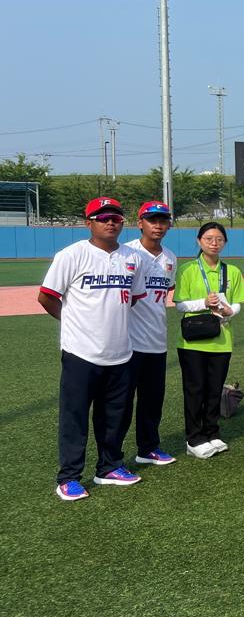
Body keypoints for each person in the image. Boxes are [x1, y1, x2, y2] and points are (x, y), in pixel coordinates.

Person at [40, 197, 148, 501]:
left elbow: (134, 296)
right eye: (102, 218)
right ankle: (69, 477)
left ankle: (109, 467)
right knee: (74, 417)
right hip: (80, 352)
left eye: (115, 217)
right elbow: (47, 297)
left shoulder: (132, 258)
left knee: (114, 414)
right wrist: (74, 321)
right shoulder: (71, 255)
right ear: (89, 223)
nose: (110, 222)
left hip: (121, 351)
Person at [174, 222, 244, 459]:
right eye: (208, 239)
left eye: (219, 239)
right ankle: (194, 438)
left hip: (221, 338)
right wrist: (203, 303)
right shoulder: (187, 269)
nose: (214, 243)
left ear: (225, 242)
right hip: (192, 341)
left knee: (215, 389)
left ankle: (212, 432)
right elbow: (180, 305)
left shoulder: (232, 271)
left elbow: (237, 303)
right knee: (195, 389)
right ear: (199, 241)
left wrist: (230, 312)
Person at [123, 201, 178, 467]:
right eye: (152, 220)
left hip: (156, 340)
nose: (158, 225)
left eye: (163, 220)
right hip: (128, 342)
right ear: (140, 223)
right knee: (122, 403)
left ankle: (148, 448)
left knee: (152, 401)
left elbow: (164, 294)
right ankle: (112, 459)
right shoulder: (127, 253)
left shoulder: (169, 257)